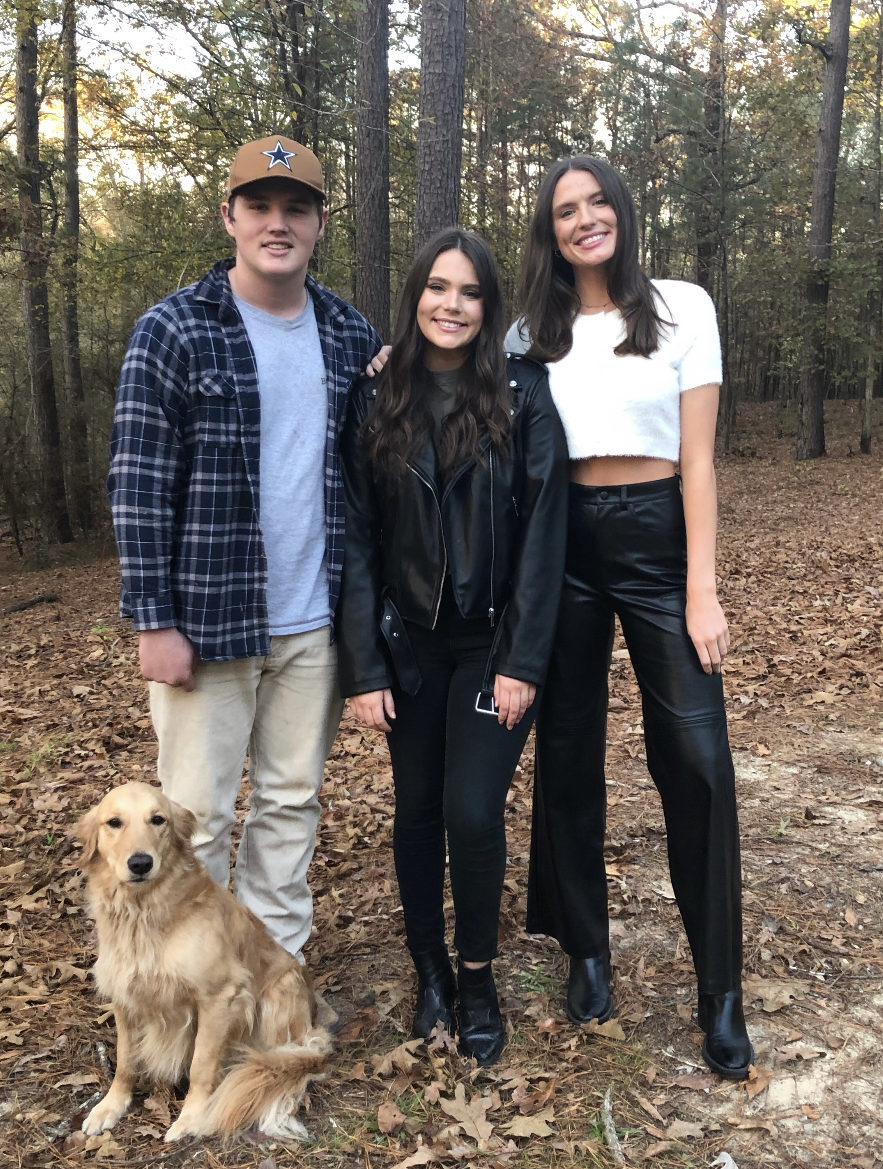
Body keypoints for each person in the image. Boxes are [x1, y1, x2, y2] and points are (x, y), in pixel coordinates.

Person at [506, 156, 754, 1079]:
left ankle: (718, 988)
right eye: (564, 211)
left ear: (621, 208)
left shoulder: (684, 306)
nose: (583, 220)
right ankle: (587, 950)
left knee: (696, 756)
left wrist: (701, 586)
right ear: (551, 230)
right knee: (567, 751)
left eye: (595, 201)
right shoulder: (531, 328)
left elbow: (697, 461)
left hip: (657, 540)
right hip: (561, 544)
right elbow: (455, 381)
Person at [107, 135, 382, 961]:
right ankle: (185, 990)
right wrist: (153, 620)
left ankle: (270, 982)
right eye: (259, 206)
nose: (277, 222)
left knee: (291, 806)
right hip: (207, 619)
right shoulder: (175, 329)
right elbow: (138, 482)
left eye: (295, 208)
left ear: (319, 222)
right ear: (228, 216)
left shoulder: (346, 332)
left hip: (313, 623)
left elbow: (376, 461)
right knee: (195, 814)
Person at [337, 228, 568, 1066]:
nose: (451, 305)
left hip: (489, 646)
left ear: (488, 306)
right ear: (415, 295)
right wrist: (362, 665)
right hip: (406, 649)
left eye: (469, 293)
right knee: (417, 812)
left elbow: (545, 535)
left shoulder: (521, 395)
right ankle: (427, 969)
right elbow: (357, 539)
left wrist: (521, 659)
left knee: (472, 812)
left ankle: (477, 976)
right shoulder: (375, 394)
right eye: (438, 288)